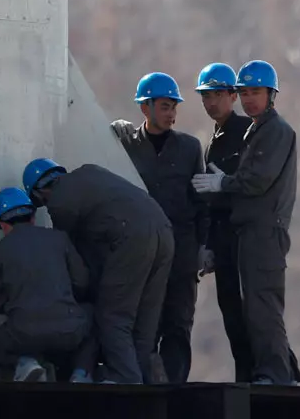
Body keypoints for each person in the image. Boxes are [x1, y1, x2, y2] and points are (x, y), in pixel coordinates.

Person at [192, 60, 298, 385]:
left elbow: (257, 180)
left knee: (262, 304)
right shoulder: (256, 131)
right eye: (246, 92)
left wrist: (224, 183)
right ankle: (267, 374)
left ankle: (276, 375)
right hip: (249, 231)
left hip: (264, 231)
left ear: (271, 94)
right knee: (248, 308)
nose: (250, 98)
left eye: (257, 92)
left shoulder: (276, 131)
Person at [22, 159, 174, 384]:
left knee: (113, 315)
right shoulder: (90, 172)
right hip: (164, 232)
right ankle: (142, 380)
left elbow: (72, 256)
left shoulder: (60, 202)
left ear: (40, 191)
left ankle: (126, 379)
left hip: (131, 238)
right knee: (144, 318)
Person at [109, 72, 209, 384]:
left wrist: (204, 246)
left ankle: (175, 386)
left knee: (178, 323)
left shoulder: (189, 149)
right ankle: (145, 386)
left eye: (173, 108)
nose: (171, 114)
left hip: (181, 250)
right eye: (165, 107)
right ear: (145, 108)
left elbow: (201, 204)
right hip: (143, 253)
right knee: (144, 324)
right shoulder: (126, 145)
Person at [0, 187, 94, 382]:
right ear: (32, 216)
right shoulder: (60, 238)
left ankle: (26, 362)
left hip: (23, 334)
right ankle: (81, 374)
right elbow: (82, 282)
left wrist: (15, 303)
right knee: (93, 317)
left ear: (2, 224)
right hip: (69, 330)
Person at [194, 62, 255, 381]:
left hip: (245, 240)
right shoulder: (214, 142)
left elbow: (254, 186)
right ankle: (246, 379)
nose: (210, 102)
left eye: (217, 94)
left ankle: (271, 376)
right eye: (205, 96)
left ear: (233, 96)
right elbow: (212, 205)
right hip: (224, 242)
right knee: (231, 313)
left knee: (254, 316)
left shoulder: (248, 134)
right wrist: (208, 245)